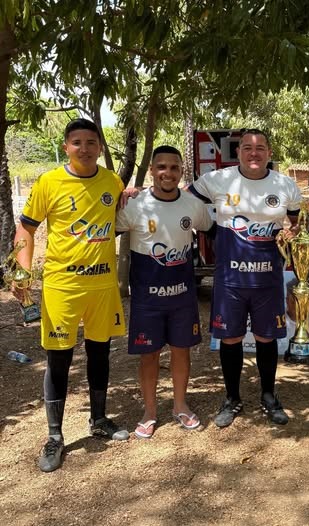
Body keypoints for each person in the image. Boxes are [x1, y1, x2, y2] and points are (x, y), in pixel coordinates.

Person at [12, 118, 129, 473]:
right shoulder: (49, 182)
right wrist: (22, 271)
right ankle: (54, 436)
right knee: (59, 359)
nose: (85, 148)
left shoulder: (112, 182)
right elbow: (26, 228)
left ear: (100, 147)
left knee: (100, 352)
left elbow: (122, 217)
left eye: (91, 142)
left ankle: (99, 419)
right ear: (66, 147)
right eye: (77, 142)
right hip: (62, 287)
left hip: (102, 286)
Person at [188, 128, 302, 427]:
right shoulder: (217, 179)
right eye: (247, 147)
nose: (254, 152)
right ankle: (232, 398)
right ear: (238, 152)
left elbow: (298, 222)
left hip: (267, 279)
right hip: (230, 279)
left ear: (269, 153)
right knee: (231, 338)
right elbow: (181, 199)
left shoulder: (285, 185)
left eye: (260, 147)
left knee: (266, 338)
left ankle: (268, 396)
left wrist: (294, 232)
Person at [116, 145, 213, 438]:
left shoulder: (193, 205)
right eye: (161, 167)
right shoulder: (135, 205)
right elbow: (105, 231)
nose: (167, 173)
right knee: (149, 355)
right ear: (152, 170)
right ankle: (150, 412)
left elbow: (213, 231)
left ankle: (180, 405)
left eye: (173, 167)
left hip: (183, 296)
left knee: (181, 351)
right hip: (147, 299)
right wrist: (120, 196)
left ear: (181, 171)